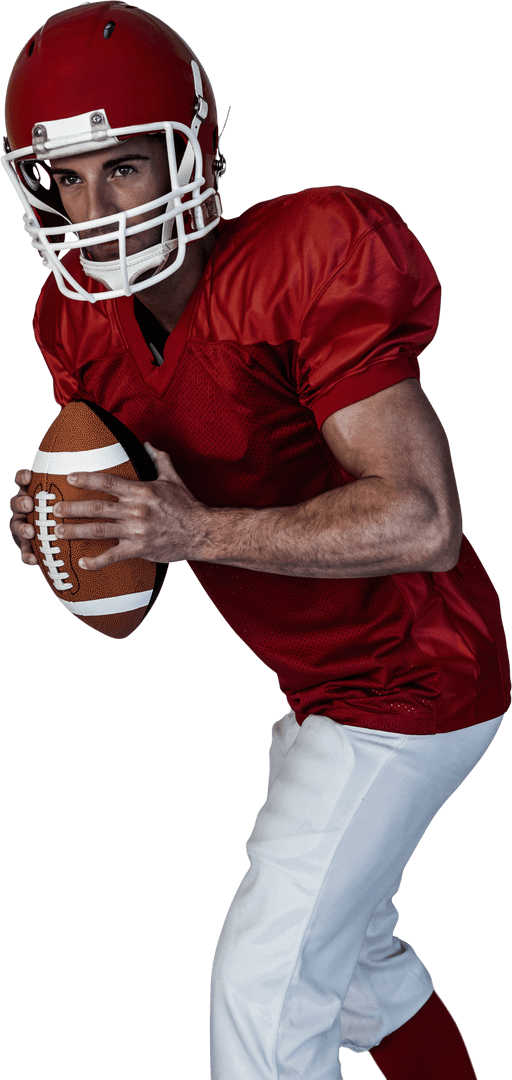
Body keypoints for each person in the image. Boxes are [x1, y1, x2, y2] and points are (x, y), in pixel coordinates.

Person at [4, 3, 510, 1078]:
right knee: (358, 974)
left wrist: (194, 529)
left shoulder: (307, 256)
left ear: (193, 152)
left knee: (264, 987)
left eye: (123, 168)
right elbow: (146, 527)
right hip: (322, 686)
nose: (95, 210)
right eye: (68, 181)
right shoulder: (72, 323)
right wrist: (80, 524)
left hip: (417, 677)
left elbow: (422, 519)